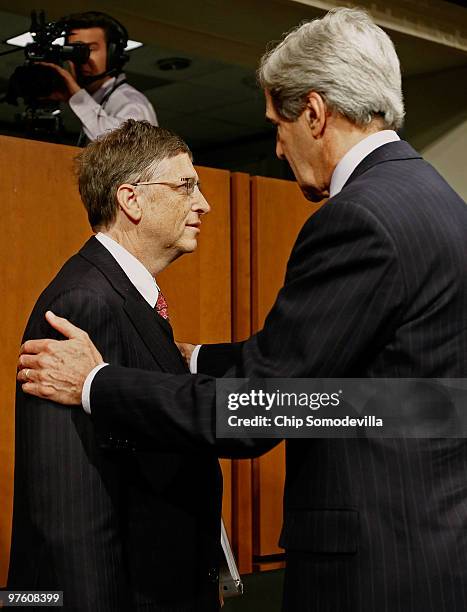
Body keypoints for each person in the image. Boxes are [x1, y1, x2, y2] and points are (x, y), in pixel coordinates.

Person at [18, 8, 467, 612]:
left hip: (373, 566)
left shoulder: (358, 218)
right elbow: (383, 397)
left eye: (277, 126)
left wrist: (95, 382)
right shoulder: (440, 202)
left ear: (313, 112)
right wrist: (200, 357)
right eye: (184, 187)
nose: (277, 150)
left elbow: (271, 405)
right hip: (429, 549)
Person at [9, 120, 223, 612]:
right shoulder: (85, 301)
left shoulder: (128, 297)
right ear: (131, 200)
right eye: (186, 185)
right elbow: (71, 509)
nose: (203, 203)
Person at [41, 11, 157, 142]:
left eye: (90, 49)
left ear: (113, 53)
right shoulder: (95, 100)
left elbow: (118, 148)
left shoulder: (132, 103)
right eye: (74, 50)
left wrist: (78, 97)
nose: (82, 58)